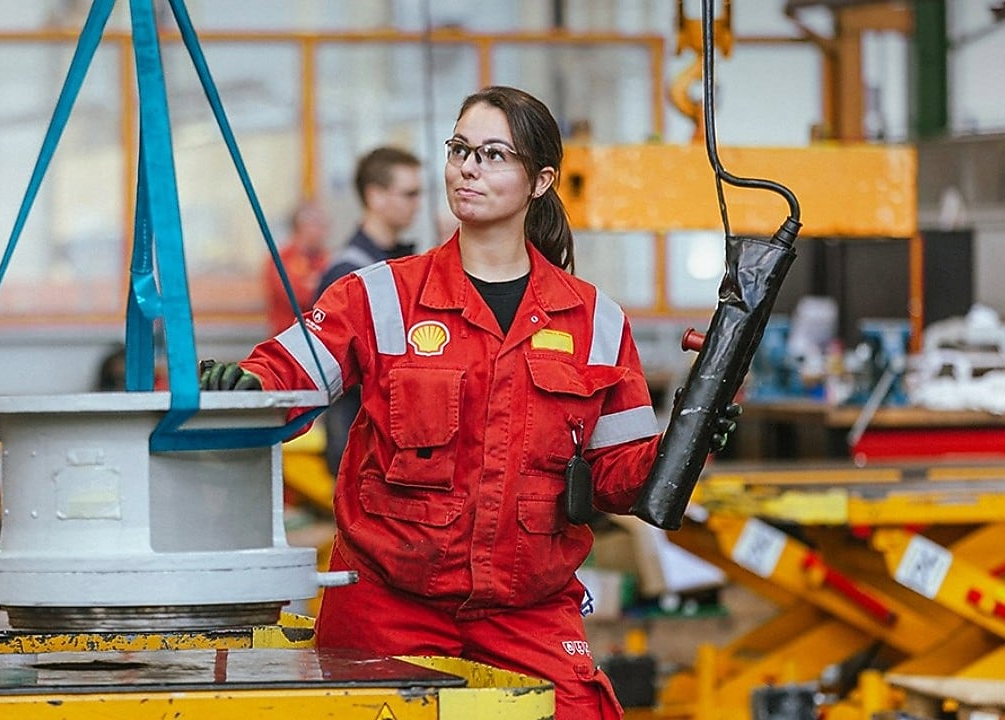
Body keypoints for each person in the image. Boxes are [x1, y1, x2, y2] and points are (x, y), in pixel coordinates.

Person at [200, 86, 738, 720]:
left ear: (540, 181)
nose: (468, 167)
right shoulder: (379, 296)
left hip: (526, 613)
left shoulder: (595, 321)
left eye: (492, 154)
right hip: (387, 608)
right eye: (459, 149)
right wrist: (248, 389)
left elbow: (618, 477)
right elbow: (287, 377)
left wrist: (689, 439)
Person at [316, 146, 423, 477]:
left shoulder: (401, 268)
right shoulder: (350, 275)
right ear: (375, 196)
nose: (417, 204)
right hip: (362, 448)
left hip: (395, 446)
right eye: (409, 193)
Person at [265, 200, 330, 336]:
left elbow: (332, 295)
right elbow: (298, 296)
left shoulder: (326, 258)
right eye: (318, 225)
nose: (324, 232)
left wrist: (314, 283)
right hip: (286, 339)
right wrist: (317, 284)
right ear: (301, 226)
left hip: (318, 338)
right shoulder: (281, 259)